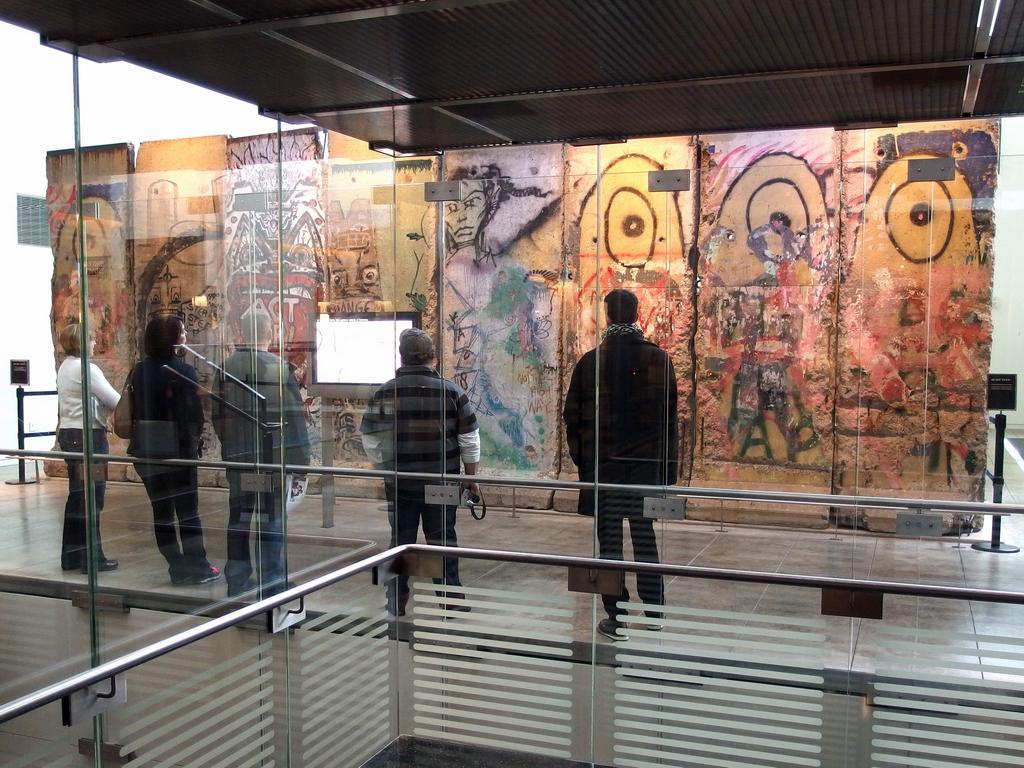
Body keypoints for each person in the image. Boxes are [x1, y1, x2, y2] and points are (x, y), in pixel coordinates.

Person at [563, 289, 678, 640]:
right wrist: (664, 472)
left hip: (606, 470)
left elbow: (573, 418)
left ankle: (617, 615)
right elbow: (669, 419)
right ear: (636, 314)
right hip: (643, 470)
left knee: (610, 540)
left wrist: (587, 463)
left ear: (608, 316)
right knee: (645, 537)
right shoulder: (659, 360)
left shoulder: (591, 362)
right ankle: (655, 611)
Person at [361, 328, 480, 616]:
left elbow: (371, 439)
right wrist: (471, 479)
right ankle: (448, 597)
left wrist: (386, 467)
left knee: (400, 541)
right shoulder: (452, 391)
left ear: (401, 357)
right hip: (442, 482)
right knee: (443, 540)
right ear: (432, 357)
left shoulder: (385, 391)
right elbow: (469, 439)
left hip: (401, 481)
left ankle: (397, 598)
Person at [213, 312, 310, 598]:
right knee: (273, 520)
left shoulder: (225, 368)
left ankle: (238, 578)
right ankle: (272, 580)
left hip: (239, 458)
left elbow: (218, 416)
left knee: (239, 519)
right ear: (270, 333)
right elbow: (295, 419)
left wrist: (230, 445)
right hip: (272, 458)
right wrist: (302, 460)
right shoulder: (278, 369)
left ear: (241, 333)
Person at [129, 315, 219, 585]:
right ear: (172, 338)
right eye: (182, 332)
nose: (186, 335)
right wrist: (196, 438)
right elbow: (191, 414)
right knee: (188, 510)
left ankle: (176, 566)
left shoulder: (139, 370)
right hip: (177, 449)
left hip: (147, 449)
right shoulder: (182, 370)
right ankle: (198, 565)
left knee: (162, 513)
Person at [56, 323, 120, 573]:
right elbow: (114, 399)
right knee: (93, 498)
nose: (94, 343)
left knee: (77, 497)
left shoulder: (65, 367)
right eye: (92, 339)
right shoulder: (87, 369)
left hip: (69, 433)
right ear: (83, 342)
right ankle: (92, 558)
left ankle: (71, 556)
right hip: (88, 437)